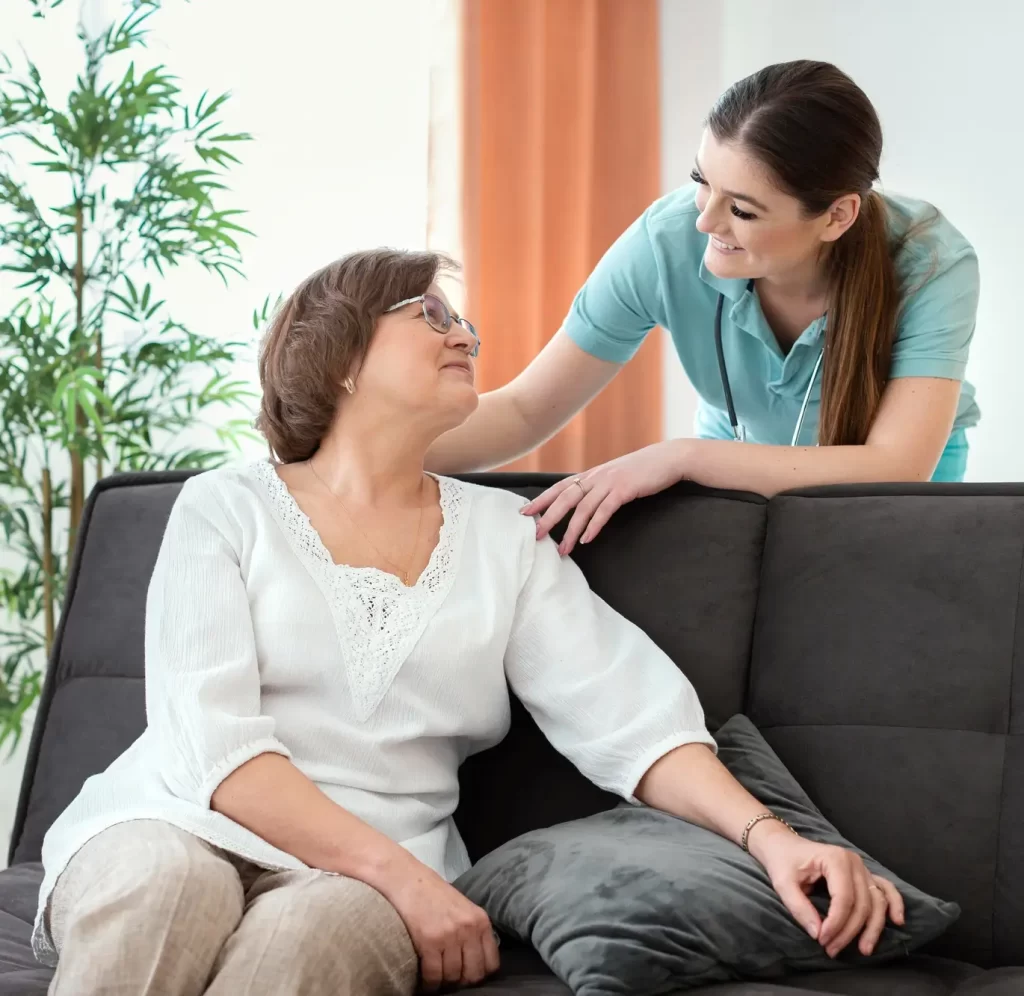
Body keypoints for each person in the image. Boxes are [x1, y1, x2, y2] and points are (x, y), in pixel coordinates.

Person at [34, 250, 905, 996]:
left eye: (465, 321)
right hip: (179, 821)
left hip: (370, 874)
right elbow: (213, 748)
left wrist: (775, 839)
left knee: (304, 942)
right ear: (338, 354)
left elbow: (631, 720)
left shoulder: (504, 537)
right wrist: (405, 881)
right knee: (165, 884)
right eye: (431, 313)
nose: (467, 335)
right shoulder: (225, 507)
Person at [425, 60, 981, 557]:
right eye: (701, 182)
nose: (705, 222)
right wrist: (364, 449)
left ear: (837, 216)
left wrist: (685, 457)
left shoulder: (931, 264)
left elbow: (896, 465)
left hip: (888, 471)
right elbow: (526, 409)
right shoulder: (665, 242)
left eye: (741, 208)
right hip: (736, 452)